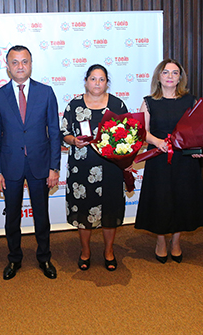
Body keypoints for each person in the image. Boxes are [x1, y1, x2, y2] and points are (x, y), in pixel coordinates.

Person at [0, 45, 61, 280]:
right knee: (12, 217)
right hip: (10, 165)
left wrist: (54, 167)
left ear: (31, 64)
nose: (20, 66)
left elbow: (54, 132)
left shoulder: (46, 92)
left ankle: (44, 257)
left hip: (40, 165)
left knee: (42, 215)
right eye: (15, 62)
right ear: (7, 66)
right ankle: (14, 258)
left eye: (24, 61)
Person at [134, 58, 203, 264]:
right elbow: (142, 132)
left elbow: (198, 130)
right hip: (159, 158)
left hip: (184, 159)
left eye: (175, 73)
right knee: (161, 199)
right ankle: (160, 241)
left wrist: (197, 148)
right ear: (159, 76)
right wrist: (157, 141)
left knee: (182, 198)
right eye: (165, 72)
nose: (170, 76)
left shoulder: (191, 101)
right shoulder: (149, 102)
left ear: (180, 78)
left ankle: (176, 241)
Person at [61, 64, 128, 271]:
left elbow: (128, 134)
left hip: (111, 168)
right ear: (86, 81)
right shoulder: (74, 105)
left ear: (107, 83)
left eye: (101, 79)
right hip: (82, 170)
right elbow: (63, 132)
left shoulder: (117, 105)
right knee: (83, 210)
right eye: (93, 78)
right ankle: (85, 251)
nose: (97, 83)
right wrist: (73, 140)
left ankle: (109, 251)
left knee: (110, 211)